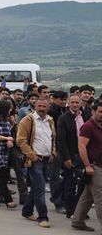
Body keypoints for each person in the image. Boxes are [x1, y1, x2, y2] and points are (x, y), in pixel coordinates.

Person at [17, 98, 57, 228]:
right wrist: (31, 155)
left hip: (47, 159)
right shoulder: (27, 120)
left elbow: (53, 138)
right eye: (39, 106)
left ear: (48, 107)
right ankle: (43, 217)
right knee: (40, 188)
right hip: (35, 160)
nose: (41, 108)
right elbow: (20, 140)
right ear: (35, 106)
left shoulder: (50, 121)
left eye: (44, 106)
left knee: (36, 187)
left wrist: (53, 153)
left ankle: (27, 211)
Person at [71, 100, 102, 231]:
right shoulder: (88, 126)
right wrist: (87, 166)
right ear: (93, 111)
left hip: (99, 165)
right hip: (94, 166)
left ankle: (77, 221)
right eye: (100, 112)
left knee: (87, 196)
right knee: (100, 197)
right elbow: (81, 146)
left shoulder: (100, 126)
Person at [57, 94, 85, 219]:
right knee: (70, 184)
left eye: (76, 102)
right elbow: (61, 140)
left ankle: (79, 210)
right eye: (72, 102)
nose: (74, 104)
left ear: (80, 103)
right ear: (69, 103)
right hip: (70, 155)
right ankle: (70, 210)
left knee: (82, 184)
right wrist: (66, 158)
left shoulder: (83, 116)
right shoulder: (63, 118)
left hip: (83, 155)